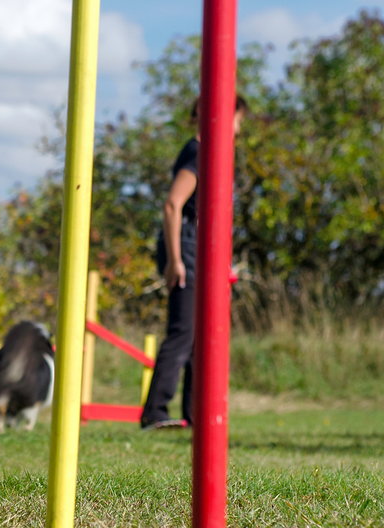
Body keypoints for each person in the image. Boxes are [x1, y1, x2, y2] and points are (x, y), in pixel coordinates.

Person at [140, 95, 247, 431]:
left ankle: (192, 412)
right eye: (236, 121)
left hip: (203, 252)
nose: (238, 130)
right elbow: (173, 205)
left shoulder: (211, 154)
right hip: (186, 250)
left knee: (202, 336)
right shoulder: (198, 152)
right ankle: (154, 413)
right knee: (183, 332)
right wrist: (175, 260)